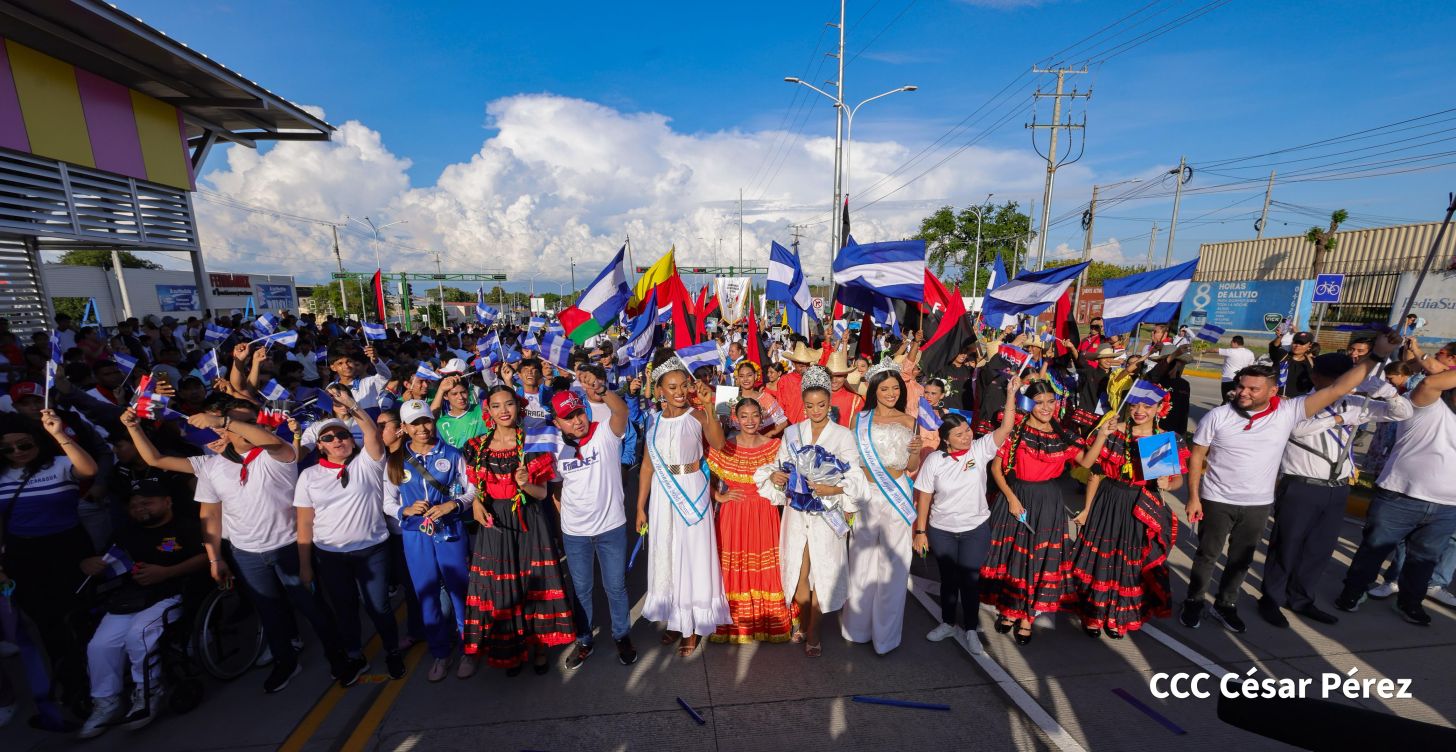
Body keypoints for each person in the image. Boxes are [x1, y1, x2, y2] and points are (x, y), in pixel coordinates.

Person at [123, 398, 348, 693]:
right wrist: (133, 428)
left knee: (312, 607)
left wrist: (225, 421)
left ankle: (338, 657)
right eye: (238, 422)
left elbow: (269, 440)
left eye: (251, 422)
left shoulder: (279, 454)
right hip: (246, 554)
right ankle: (286, 662)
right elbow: (198, 503)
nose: (246, 427)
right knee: (269, 612)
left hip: (289, 546)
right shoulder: (210, 466)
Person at [1183, 331, 1396, 632]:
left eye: (1252, 389)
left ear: (1272, 392)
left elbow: (1338, 388)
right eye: (1241, 386)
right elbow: (1196, 457)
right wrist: (1193, 497)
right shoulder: (1217, 416)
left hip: (1258, 504)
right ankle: (1193, 601)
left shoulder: (1287, 411)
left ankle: (1225, 604)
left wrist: (1376, 355)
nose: (1243, 392)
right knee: (1207, 556)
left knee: (1240, 560)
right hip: (1217, 499)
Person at [1257, 355, 1413, 628]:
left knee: (1319, 549)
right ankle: (1271, 599)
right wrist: (1339, 418)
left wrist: (1384, 390)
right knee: (1287, 545)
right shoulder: (1299, 404)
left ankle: (1302, 599)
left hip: (1337, 488)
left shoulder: (1356, 403)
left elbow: (1403, 413)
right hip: (1301, 485)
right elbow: (1299, 431)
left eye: (1348, 377)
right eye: (1337, 379)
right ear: (1318, 378)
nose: (1345, 384)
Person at [459, 386, 574, 677]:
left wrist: (525, 484)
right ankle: (512, 649)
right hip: (494, 524)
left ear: (518, 405)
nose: (504, 411)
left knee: (531, 586)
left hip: (528, 521)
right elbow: (474, 489)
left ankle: (538, 648)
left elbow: (541, 493)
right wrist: (475, 506)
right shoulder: (477, 446)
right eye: (496, 406)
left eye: (508, 403)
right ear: (489, 411)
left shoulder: (532, 443)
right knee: (503, 590)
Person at [294, 385, 405, 686]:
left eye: (341, 434)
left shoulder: (367, 463)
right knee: (344, 609)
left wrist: (352, 405)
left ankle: (392, 650)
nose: (337, 440)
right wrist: (305, 566)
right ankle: (355, 656)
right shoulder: (309, 476)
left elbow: (371, 435)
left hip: (372, 549)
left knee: (378, 606)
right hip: (330, 555)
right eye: (328, 438)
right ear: (320, 446)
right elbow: (305, 523)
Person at [77, 479, 206, 738]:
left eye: (147, 502)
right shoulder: (125, 532)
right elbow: (103, 558)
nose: (139, 508)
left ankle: (148, 691)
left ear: (167, 502)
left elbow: (206, 557)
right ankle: (107, 701)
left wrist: (167, 572)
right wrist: (88, 563)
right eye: (134, 505)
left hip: (174, 593)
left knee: (139, 633)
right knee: (100, 645)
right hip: (132, 596)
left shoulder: (186, 526)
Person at [1335, 356, 1456, 625]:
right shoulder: (1426, 403)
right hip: (1400, 496)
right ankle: (1352, 593)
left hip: (1447, 507)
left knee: (1424, 560)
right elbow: (1432, 380)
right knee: (1374, 550)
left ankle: (1410, 603)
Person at [756, 365, 862, 657]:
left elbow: (854, 476)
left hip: (827, 513)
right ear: (803, 405)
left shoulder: (843, 436)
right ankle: (804, 619)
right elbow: (782, 466)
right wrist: (777, 476)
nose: (816, 410)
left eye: (822, 404)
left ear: (830, 403)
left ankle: (813, 631)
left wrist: (835, 489)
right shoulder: (791, 432)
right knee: (799, 572)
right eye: (810, 405)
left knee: (825, 570)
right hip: (797, 511)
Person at [0, 410, 100, 708]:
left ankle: (102, 679)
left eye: (24, 445)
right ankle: (74, 690)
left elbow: (89, 471)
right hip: (24, 557)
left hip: (69, 550)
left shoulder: (60, 464)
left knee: (82, 619)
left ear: (38, 442)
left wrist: (59, 434)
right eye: (7, 449)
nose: (17, 453)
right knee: (50, 628)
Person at [1066, 391, 1185, 638]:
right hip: (1109, 501)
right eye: (1135, 405)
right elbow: (1095, 473)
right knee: (1101, 560)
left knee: (1128, 563)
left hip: (1142, 505)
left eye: (1148, 405)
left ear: (1160, 408)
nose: (1140, 410)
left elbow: (1177, 480)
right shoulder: (1115, 432)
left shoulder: (1162, 439)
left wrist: (1168, 483)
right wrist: (1087, 509)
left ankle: (1116, 616)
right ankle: (1094, 615)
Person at [911, 384, 1018, 654]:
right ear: (946, 439)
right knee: (948, 580)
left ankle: (971, 629)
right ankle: (947, 623)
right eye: (959, 434)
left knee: (970, 580)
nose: (966, 437)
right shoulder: (935, 460)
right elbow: (924, 495)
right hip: (942, 530)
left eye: (967, 430)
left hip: (975, 529)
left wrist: (1010, 395)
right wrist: (920, 531)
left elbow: (1005, 429)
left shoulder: (980, 450)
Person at [980, 379, 1088, 645]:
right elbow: (996, 469)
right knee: (1011, 556)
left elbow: (1088, 462)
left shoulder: (1063, 435)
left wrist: (1105, 436)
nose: (1046, 407)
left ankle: (1027, 616)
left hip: (1048, 502)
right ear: (1028, 404)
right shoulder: (1016, 431)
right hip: (1014, 497)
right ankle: (1008, 610)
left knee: (1038, 560)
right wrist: (1012, 499)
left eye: (1051, 401)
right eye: (1039, 402)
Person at [636, 353, 730, 657]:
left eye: (682, 386)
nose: (678, 392)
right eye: (671, 387)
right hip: (664, 495)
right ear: (660, 390)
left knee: (692, 555)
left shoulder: (696, 415)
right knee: (668, 553)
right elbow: (648, 467)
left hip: (691, 489)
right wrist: (640, 506)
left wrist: (709, 409)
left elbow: (717, 444)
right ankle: (675, 620)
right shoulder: (654, 423)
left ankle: (693, 625)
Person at [384, 400, 476, 682]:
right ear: (404, 428)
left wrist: (454, 505)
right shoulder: (396, 460)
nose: (422, 428)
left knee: (460, 591)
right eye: (414, 423)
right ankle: (440, 652)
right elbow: (387, 501)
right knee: (427, 594)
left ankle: (468, 650)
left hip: (450, 531)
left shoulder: (452, 453)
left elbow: (471, 490)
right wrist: (405, 510)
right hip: (416, 536)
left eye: (425, 421)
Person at [554, 381, 638, 669]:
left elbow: (622, 411)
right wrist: (567, 516)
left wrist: (602, 392)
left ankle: (621, 635)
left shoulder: (604, 432)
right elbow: (555, 489)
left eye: (579, 413)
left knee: (615, 587)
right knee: (581, 590)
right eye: (568, 417)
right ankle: (585, 640)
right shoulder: (553, 448)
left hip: (611, 528)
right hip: (575, 534)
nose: (577, 421)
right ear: (557, 422)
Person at [841, 361, 922, 655]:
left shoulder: (910, 420)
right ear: (874, 390)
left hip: (897, 492)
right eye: (884, 388)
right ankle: (857, 628)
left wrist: (915, 454)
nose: (890, 393)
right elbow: (850, 462)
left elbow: (911, 467)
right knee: (861, 559)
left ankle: (885, 637)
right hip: (866, 493)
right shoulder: (859, 419)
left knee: (894, 564)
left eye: (895, 388)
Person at [707, 399, 791, 643]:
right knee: (734, 567)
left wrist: (779, 479)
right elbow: (702, 475)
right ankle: (735, 624)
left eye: (755, 415)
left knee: (766, 567)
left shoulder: (775, 446)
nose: (750, 421)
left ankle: (768, 621)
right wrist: (719, 495)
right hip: (733, 515)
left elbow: (789, 478)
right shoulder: (725, 447)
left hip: (764, 514)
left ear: (762, 416)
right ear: (735, 419)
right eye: (744, 416)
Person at [431, 374, 488, 448]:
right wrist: (441, 390)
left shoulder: (482, 408)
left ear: (468, 392)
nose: (460, 397)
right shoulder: (441, 424)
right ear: (445, 396)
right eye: (454, 394)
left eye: (463, 392)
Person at [1217, 336, 1256, 404]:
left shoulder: (1230, 351)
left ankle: (1224, 412)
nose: (1230, 343)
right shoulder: (1250, 353)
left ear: (1235, 343)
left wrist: (1205, 351)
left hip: (1228, 380)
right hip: (1241, 381)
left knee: (1227, 401)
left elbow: (1216, 350)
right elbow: (1250, 367)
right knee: (1237, 400)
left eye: (1231, 342)